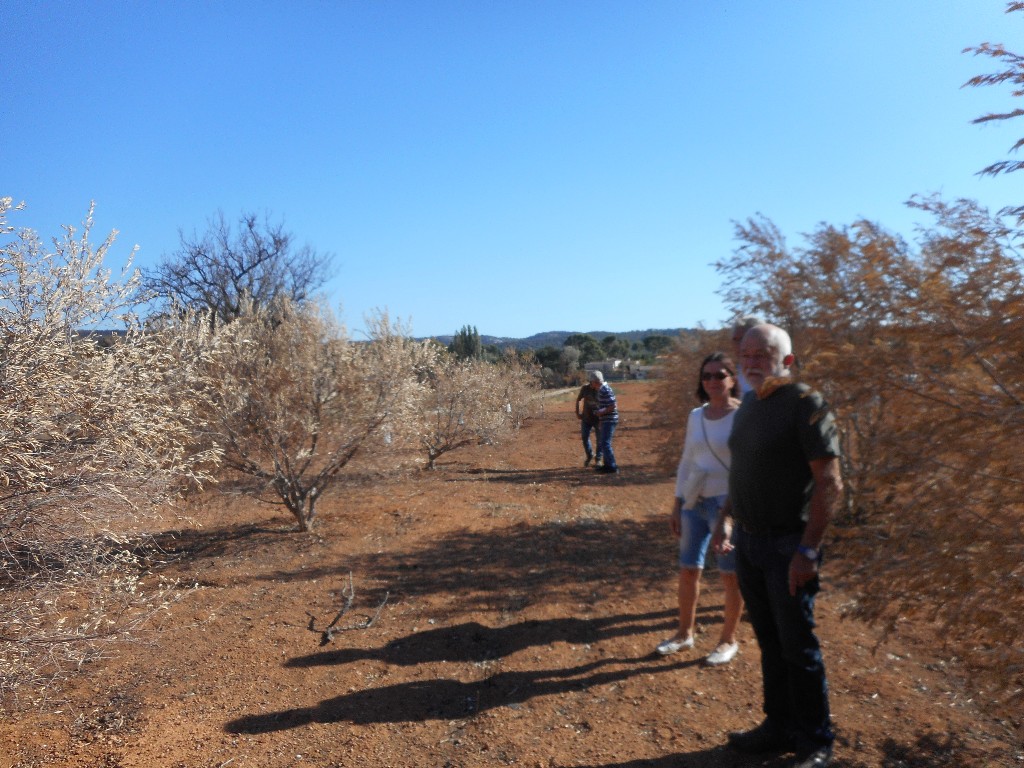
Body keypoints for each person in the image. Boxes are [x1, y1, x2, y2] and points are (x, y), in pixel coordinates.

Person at [712, 323, 842, 768]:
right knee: (769, 640)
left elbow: (829, 483)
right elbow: (742, 472)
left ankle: (815, 741)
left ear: (786, 361)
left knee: (797, 645)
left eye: (761, 355)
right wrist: (725, 519)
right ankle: (778, 725)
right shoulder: (750, 403)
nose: (750, 363)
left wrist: (808, 550)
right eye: (744, 355)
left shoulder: (806, 404)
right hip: (748, 541)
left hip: (789, 543)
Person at [655, 353, 745, 666]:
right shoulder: (696, 416)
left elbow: (747, 468)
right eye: (706, 376)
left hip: (728, 504)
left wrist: (730, 517)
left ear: (733, 379)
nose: (712, 381)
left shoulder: (744, 415)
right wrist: (678, 504)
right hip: (696, 499)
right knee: (688, 568)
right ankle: (684, 633)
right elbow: (687, 461)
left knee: (730, 575)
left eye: (720, 375)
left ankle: (728, 639)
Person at [589, 370, 619, 474]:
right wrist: (601, 417)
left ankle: (612, 466)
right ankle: (607, 465)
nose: (591, 384)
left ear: (595, 381)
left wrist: (600, 412)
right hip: (607, 419)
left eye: (591, 381)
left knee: (605, 443)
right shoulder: (602, 389)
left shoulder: (604, 389)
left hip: (610, 419)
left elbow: (612, 405)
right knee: (604, 442)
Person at [730, 314, 765, 395]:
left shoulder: (769, 370)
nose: (739, 345)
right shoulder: (728, 374)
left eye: (743, 338)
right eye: (735, 340)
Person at [575, 377, 602, 467]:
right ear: (591, 382)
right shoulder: (585, 388)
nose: (598, 384)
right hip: (586, 418)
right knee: (584, 437)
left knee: (600, 440)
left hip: (599, 419)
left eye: (599, 382)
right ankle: (590, 455)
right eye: (596, 382)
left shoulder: (602, 389)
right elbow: (579, 400)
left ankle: (598, 459)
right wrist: (577, 412)